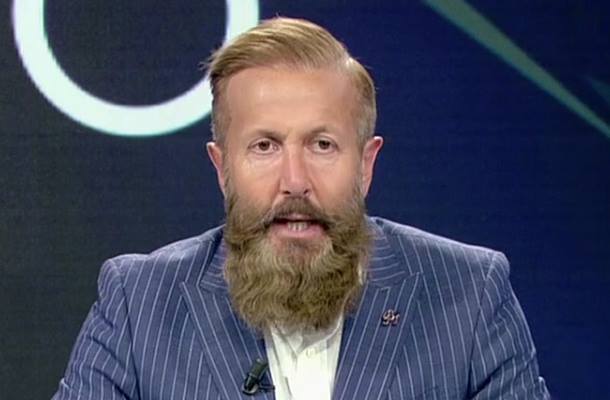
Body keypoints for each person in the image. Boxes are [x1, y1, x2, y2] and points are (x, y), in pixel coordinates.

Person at [53, 17, 550, 400]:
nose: (294, 181)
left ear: (366, 164)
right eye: (265, 146)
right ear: (222, 167)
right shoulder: (139, 304)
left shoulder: (469, 294)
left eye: (322, 145)